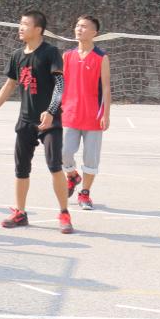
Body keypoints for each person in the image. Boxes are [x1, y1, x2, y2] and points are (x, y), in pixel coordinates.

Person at [0, 10, 72, 234]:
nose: (20, 27)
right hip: (25, 120)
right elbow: (9, 84)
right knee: (21, 169)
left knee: (54, 166)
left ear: (38, 29)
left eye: (25, 24)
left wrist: (50, 111)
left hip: (50, 121)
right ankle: (20, 213)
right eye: (20, 23)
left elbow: (60, 86)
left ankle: (64, 212)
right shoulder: (17, 55)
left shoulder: (50, 52)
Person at [60, 15, 111, 211]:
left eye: (84, 26)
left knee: (91, 158)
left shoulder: (101, 57)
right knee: (63, 152)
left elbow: (106, 87)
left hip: (93, 116)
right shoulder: (67, 56)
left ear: (94, 33)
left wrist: (106, 114)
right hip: (70, 113)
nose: (79, 29)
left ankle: (85, 193)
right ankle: (72, 175)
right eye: (77, 25)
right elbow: (60, 84)